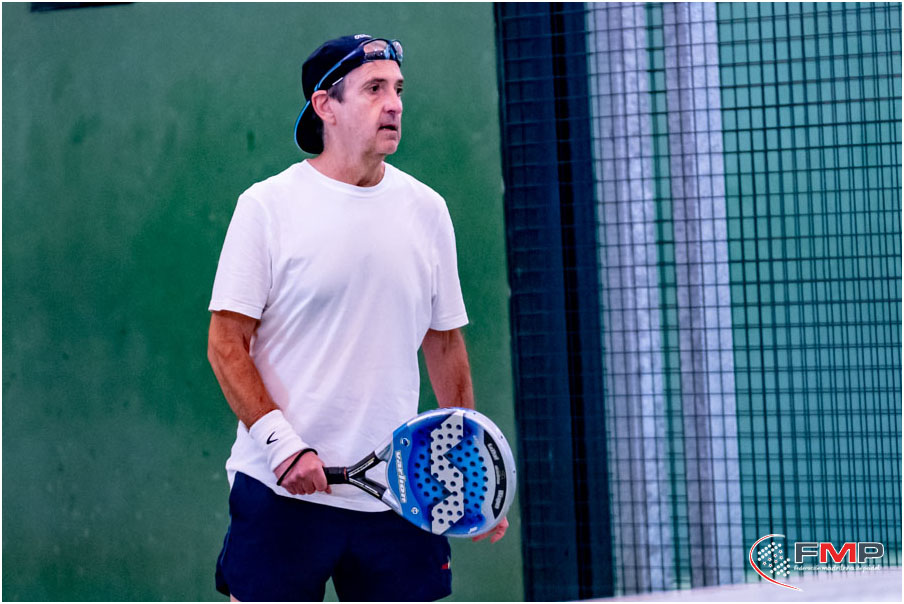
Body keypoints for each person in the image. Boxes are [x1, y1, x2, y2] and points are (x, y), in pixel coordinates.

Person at [206, 34, 507, 602]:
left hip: (402, 500)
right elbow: (225, 344)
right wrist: (283, 445)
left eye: (398, 90)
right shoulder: (265, 208)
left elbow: (444, 345)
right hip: (281, 493)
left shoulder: (428, 210)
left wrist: (468, 470)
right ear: (325, 106)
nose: (393, 104)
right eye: (373, 90)